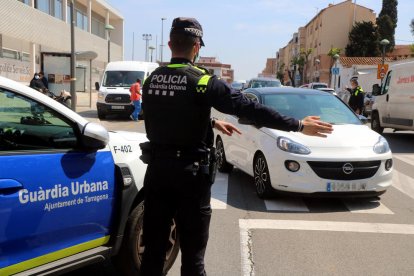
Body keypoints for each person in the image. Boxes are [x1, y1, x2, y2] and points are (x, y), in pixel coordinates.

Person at [140, 17, 333, 276]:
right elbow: (250, 109)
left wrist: (212, 123)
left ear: (169, 44)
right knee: (192, 259)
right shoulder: (203, 81)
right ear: (197, 47)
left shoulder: (151, 80)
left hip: (158, 173)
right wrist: (298, 125)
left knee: (152, 254)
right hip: (190, 176)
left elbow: (170, 116)